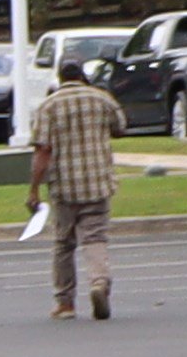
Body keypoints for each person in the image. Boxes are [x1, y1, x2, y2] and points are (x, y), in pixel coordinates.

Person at [33, 56, 123, 321]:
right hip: (97, 181)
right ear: (82, 74)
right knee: (94, 238)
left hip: (64, 186)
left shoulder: (49, 106)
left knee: (63, 243)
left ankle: (65, 303)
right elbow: (120, 127)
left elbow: (42, 151)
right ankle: (99, 282)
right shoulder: (102, 98)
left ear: (60, 77)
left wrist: (33, 190)